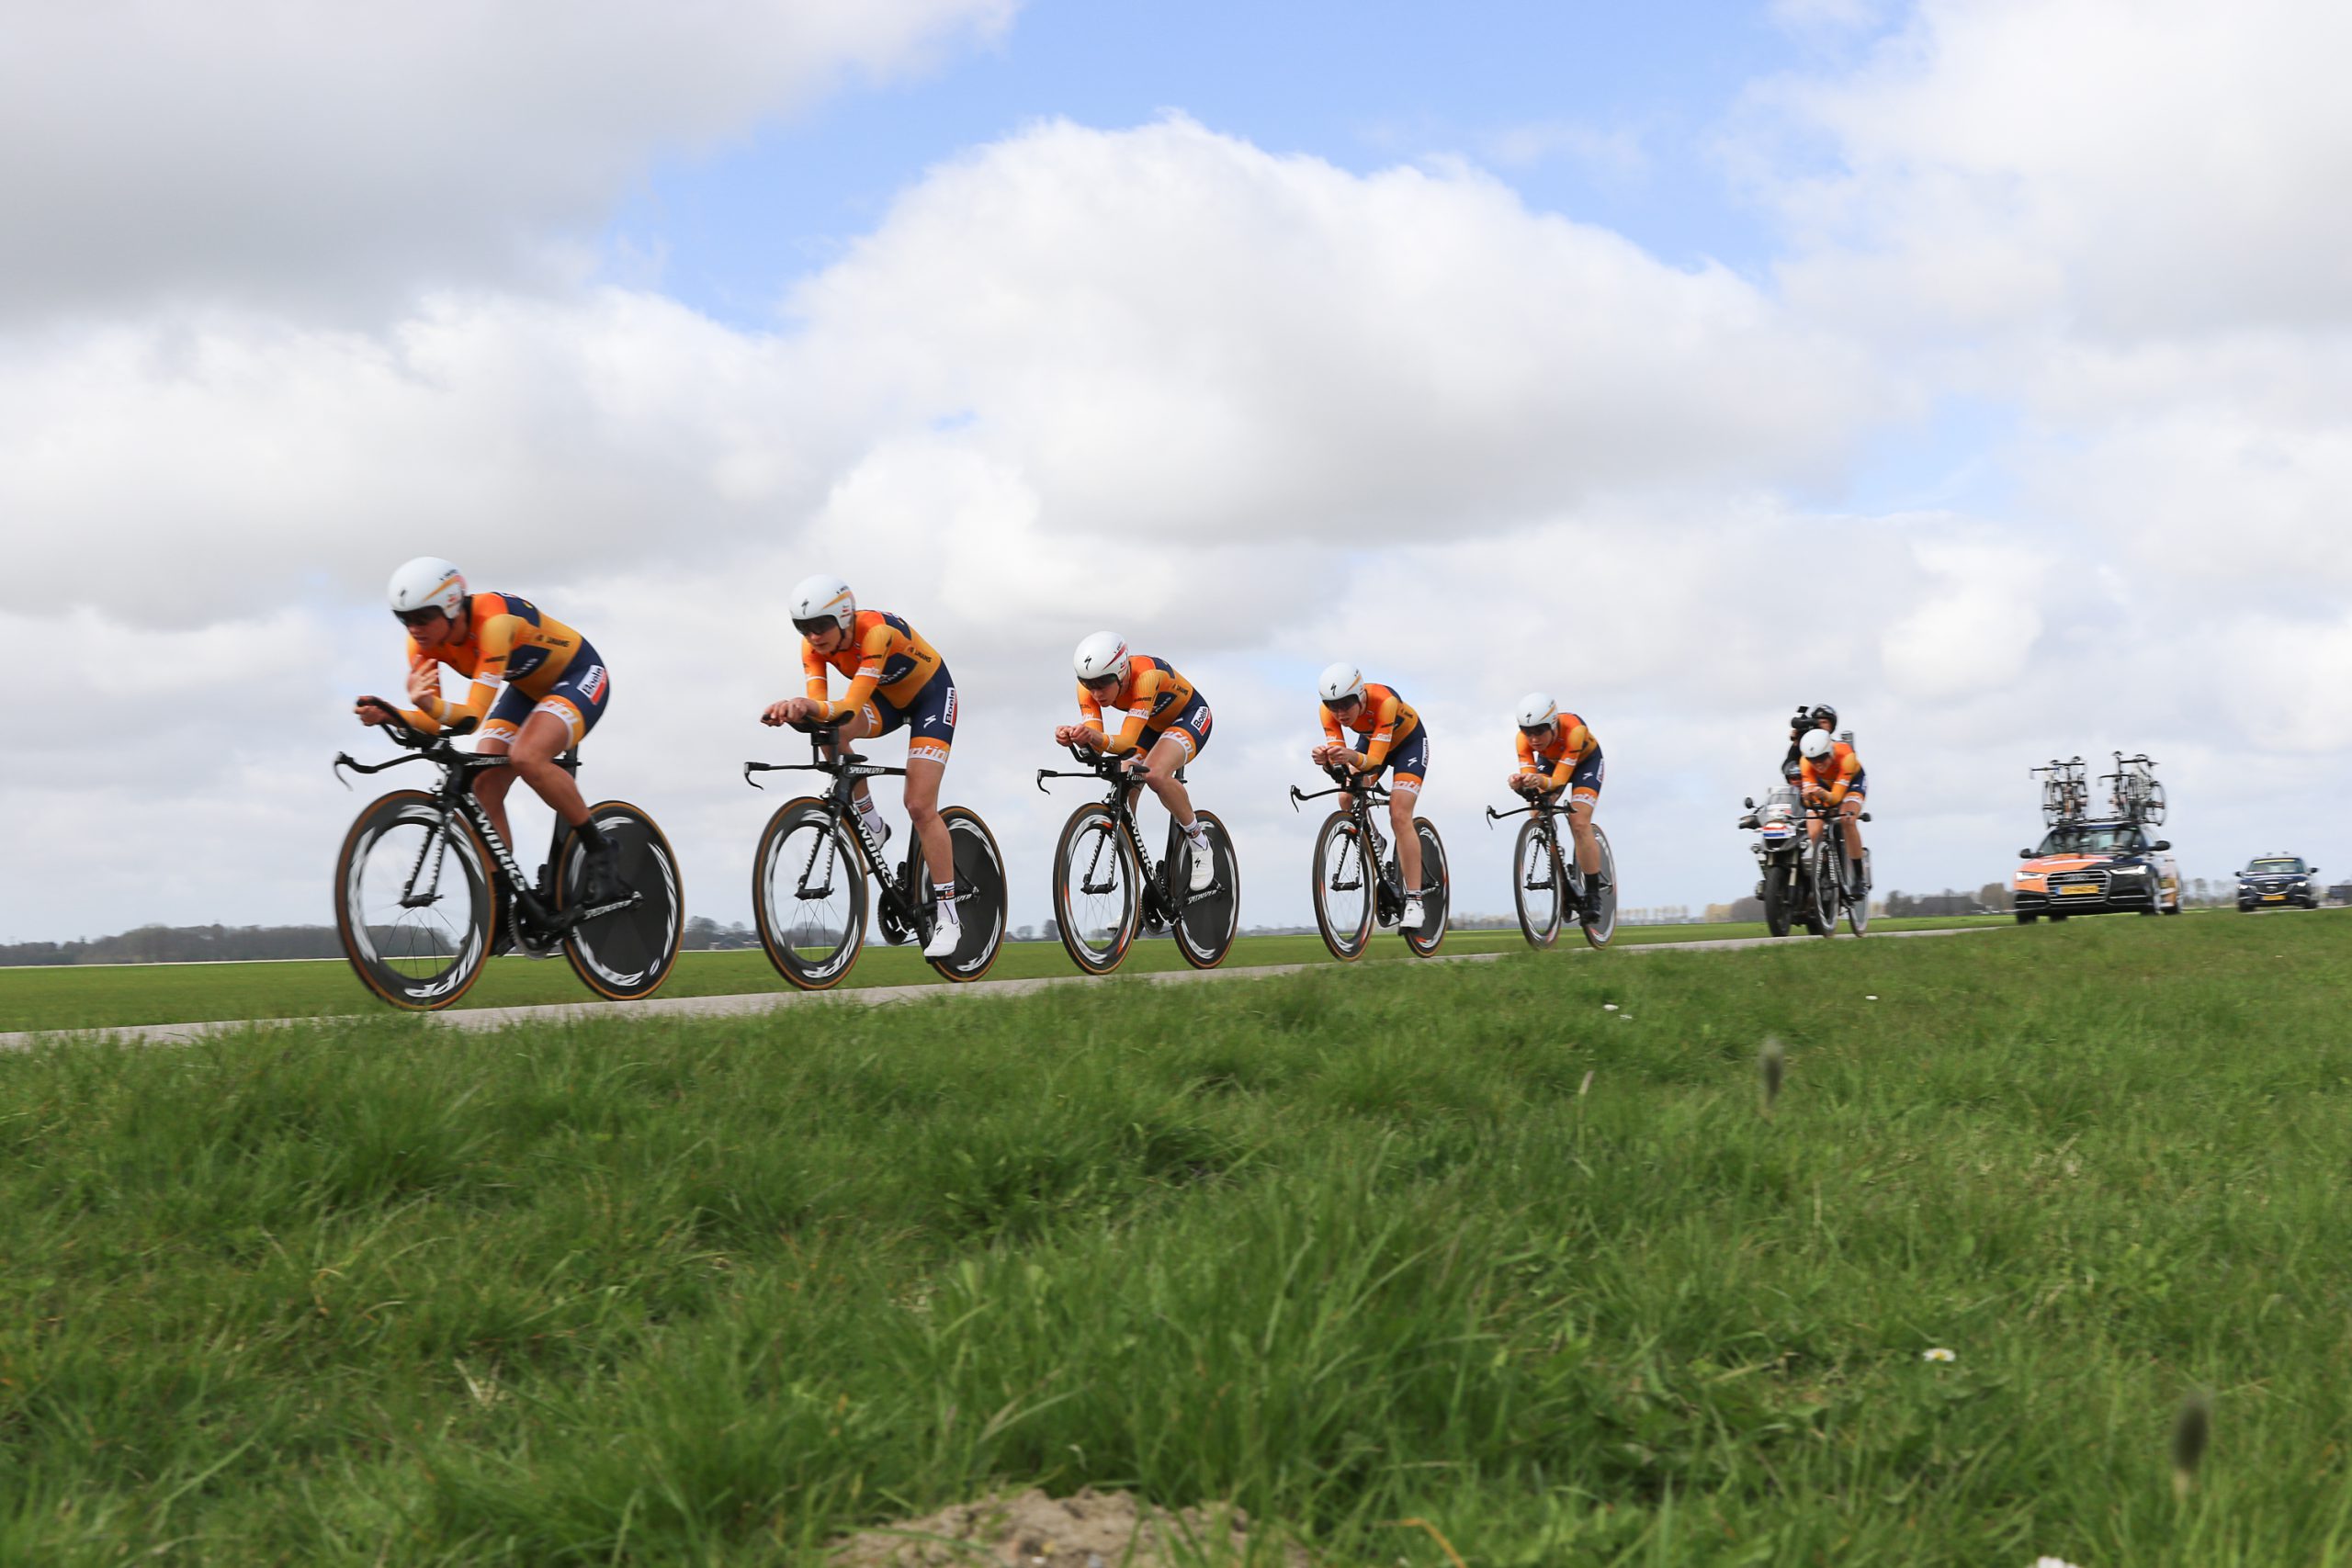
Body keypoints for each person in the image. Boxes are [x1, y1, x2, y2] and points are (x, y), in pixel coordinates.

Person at [354, 557, 620, 902]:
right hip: (526, 689)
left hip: (579, 675)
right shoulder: (421, 645)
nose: (414, 628)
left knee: (526, 756)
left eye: (422, 617)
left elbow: (471, 718)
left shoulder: (493, 623)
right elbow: (436, 724)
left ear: (451, 606)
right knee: (483, 783)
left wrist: (428, 705)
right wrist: (391, 715)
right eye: (405, 619)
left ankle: (599, 848)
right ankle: (505, 899)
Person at [760, 574, 965, 960]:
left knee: (920, 806)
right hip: (886, 699)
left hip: (931, 699)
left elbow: (849, 706)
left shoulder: (876, 634)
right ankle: (872, 824)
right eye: (803, 627)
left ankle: (949, 917)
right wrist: (795, 711)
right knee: (828, 734)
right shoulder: (813, 649)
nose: (814, 636)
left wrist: (805, 706)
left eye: (820, 626)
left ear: (844, 616)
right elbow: (822, 708)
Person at [1052, 633, 1217, 892]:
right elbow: (1098, 739)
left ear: (1121, 672)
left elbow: (1127, 740)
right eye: (1088, 684)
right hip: (1150, 725)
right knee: (1124, 788)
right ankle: (1135, 898)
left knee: (1154, 774)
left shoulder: (1145, 677)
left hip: (1188, 716)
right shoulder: (1088, 690)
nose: (1095, 693)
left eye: (1103, 684)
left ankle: (1199, 842)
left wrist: (1094, 737)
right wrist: (1076, 737)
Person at [1310, 663, 1429, 929]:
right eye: (1333, 706)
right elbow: (1343, 766)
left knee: (1399, 814)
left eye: (1346, 705)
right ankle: (1374, 838)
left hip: (1407, 744)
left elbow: (1374, 760)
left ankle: (1414, 900)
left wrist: (1350, 756)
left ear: (1361, 696)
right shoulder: (1326, 712)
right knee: (1345, 796)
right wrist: (1327, 761)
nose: (1339, 713)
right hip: (1373, 740)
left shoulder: (1384, 701)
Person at [1506, 694, 1609, 898]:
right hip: (1552, 762)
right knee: (1536, 812)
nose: (1533, 739)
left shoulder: (1575, 730)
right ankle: (1561, 870)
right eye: (1527, 732)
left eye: (1539, 731)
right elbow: (1530, 776)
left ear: (1553, 724)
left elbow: (1560, 780)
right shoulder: (1522, 741)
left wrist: (1540, 781)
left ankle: (1593, 891)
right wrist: (1519, 784)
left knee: (1578, 821)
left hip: (1585, 764)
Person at [1798, 727, 1869, 895]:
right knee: (1814, 826)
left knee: (1847, 819)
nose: (1818, 764)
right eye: (1813, 760)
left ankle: (1859, 877)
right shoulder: (1805, 763)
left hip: (1852, 784)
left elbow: (1836, 798)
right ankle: (1822, 869)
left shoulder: (1847, 757)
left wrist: (1823, 795)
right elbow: (1809, 798)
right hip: (1824, 785)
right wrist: (1808, 797)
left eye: (1822, 758)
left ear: (1830, 751)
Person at [1782, 703, 1836, 783]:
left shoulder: (1836, 745)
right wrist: (1797, 741)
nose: (1821, 725)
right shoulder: (1807, 745)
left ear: (1832, 726)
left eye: (1824, 722)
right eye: (1818, 722)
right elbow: (1788, 765)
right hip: (1809, 786)